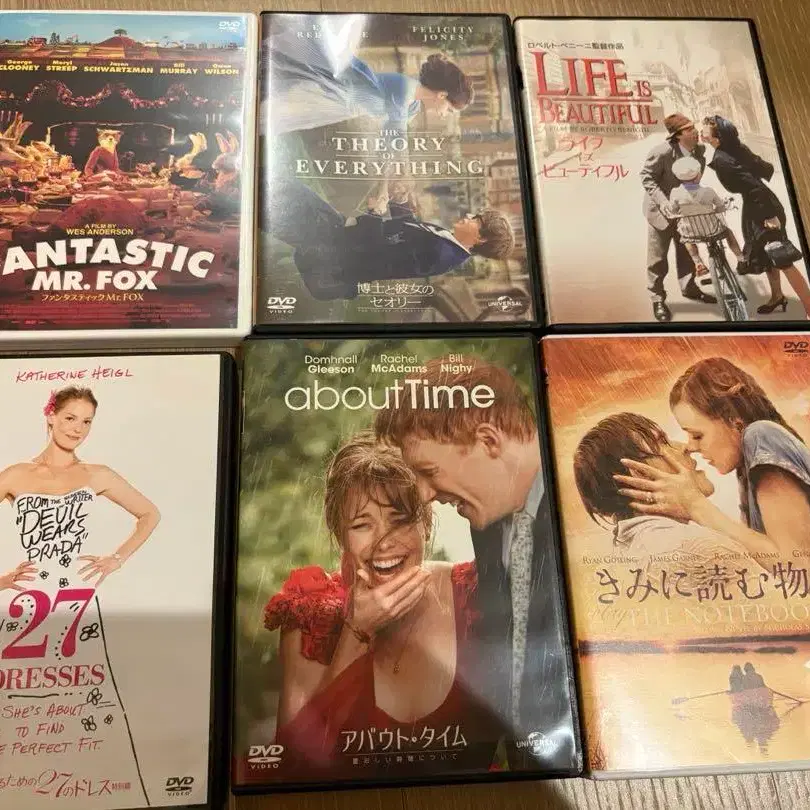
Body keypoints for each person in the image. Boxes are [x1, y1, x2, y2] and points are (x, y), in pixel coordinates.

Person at [374, 358, 577, 770]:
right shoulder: (488, 519)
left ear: (488, 441)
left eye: (428, 471)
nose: (425, 495)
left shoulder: (582, 494)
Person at [265, 432, 494, 776]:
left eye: (399, 520)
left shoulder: (476, 594)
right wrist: (355, 632)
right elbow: (291, 766)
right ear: (340, 535)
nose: (384, 542)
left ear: (425, 524)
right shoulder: (311, 614)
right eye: (362, 525)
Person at [0, 386, 160, 803]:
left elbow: (149, 513)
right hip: (27, 604)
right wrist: (2, 580)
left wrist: (116, 559)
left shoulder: (96, 474)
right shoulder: (16, 475)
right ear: (50, 416)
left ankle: (91, 792)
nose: (78, 429)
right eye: (71, 418)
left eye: (87, 422)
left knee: (85, 698)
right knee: (19, 700)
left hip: (76, 602)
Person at [614, 357, 810, 557]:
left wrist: (695, 505)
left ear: (735, 422)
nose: (691, 447)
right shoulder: (747, 466)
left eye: (697, 435)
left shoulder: (762, 435)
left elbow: (798, 565)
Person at [265, 177, 514, 300]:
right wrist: (399, 200)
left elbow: (381, 259)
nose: (469, 215)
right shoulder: (447, 243)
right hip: (341, 235)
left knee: (274, 202)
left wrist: (375, 213)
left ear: (480, 239)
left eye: (476, 219)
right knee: (284, 189)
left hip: (337, 251)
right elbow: (405, 233)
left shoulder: (441, 255)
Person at [265, 14, 473, 135]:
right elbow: (395, 135)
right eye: (450, 110)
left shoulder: (414, 107)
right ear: (442, 95)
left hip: (336, 105)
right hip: (335, 90)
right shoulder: (405, 88)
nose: (445, 115)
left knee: (276, 103)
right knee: (278, 86)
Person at [702, 115, 810, 318]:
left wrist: (769, 216)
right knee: (769, 255)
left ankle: (809, 307)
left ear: (717, 137)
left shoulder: (722, 158)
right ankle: (777, 296)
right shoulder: (735, 148)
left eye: (705, 131)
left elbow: (755, 187)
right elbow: (762, 168)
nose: (702, 133)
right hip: (759, 204)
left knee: (782, 258)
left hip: (762, 207)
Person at [641, 112, 717, 322]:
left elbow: (696, 176)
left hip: (684, 209)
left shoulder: (699, 150)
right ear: (677, 135)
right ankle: (657, 298)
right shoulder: (662, 152)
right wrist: (663, 202)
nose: (695, 132)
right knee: (658, 258)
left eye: (693, 127)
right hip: (661, 212)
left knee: (686, 251)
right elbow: (647, 178)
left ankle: (689, 287)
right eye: (689, 129)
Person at [669, 156, 745, 281]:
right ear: (698, 176)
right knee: (728, 232)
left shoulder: (675, 193)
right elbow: (720, 207)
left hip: (691, 231)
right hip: (713, 229)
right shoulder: (708, 191)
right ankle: (741, 258)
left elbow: (673, 210)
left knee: (687, 239)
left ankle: (698, 262)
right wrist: (719, 209)